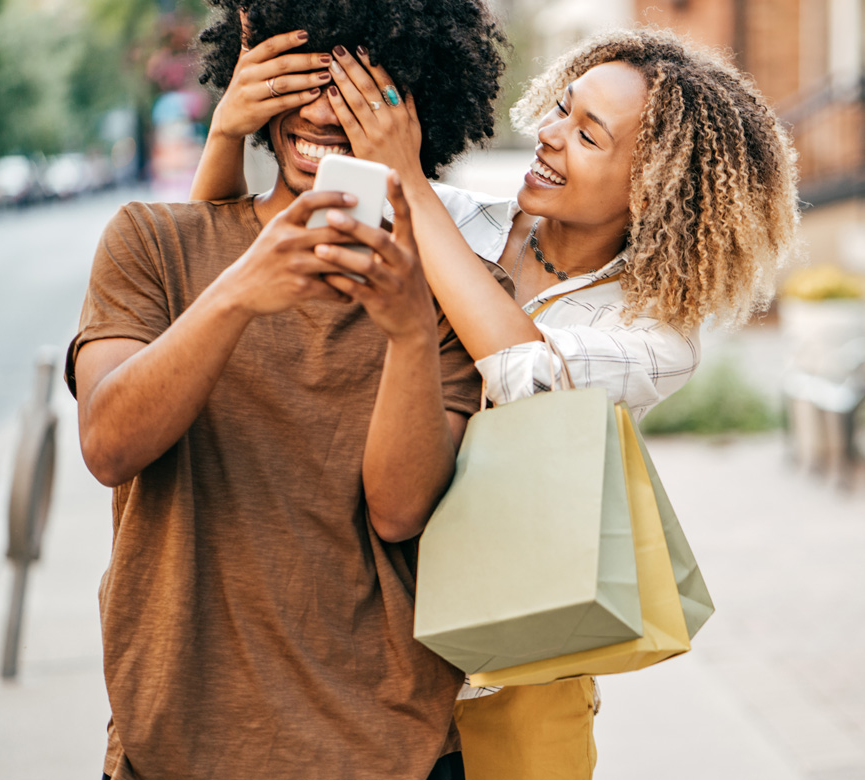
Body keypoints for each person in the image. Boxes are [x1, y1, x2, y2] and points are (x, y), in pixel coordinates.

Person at [191, 25, 800, 779]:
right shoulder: (459, 219)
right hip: (361, 651)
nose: (547, 135)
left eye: (586, 134)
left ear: (652, 183)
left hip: (513, 682)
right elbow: (225, 260)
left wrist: (408, 187)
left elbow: (524, 374)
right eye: (560, 108)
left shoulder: (653, 337)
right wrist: (227, 132)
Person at [65, 1, 509, 778]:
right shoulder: (152, 242)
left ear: (416, 103)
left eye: (359, 82)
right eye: (308, 72)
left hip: (389, 746)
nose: (321, 110)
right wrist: (240, 291)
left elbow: (399, 511)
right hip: (175, 740)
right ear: (262, 81)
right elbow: (108, 445)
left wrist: (407, 331)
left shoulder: (448, 298)